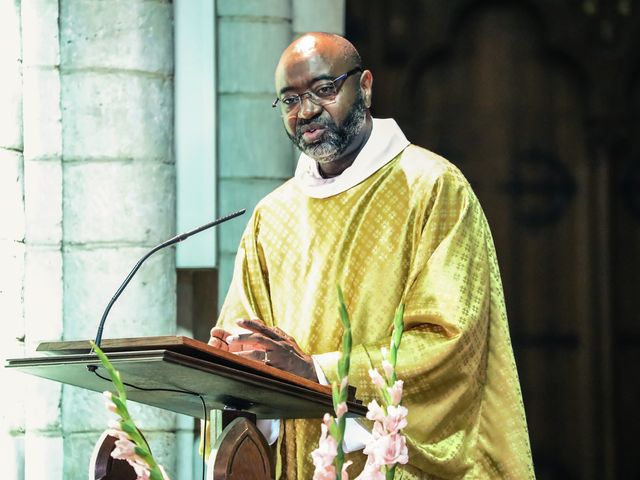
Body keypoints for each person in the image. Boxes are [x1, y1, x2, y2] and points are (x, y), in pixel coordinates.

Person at [209, 32, 535, 479]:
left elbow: (451, 343)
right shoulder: (272, 216)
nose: (305, 112)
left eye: (324, 90)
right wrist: (236, 362)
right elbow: (244, 340)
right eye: (289, 100)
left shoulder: (432, 187)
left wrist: (317, 373)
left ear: (363, 86)